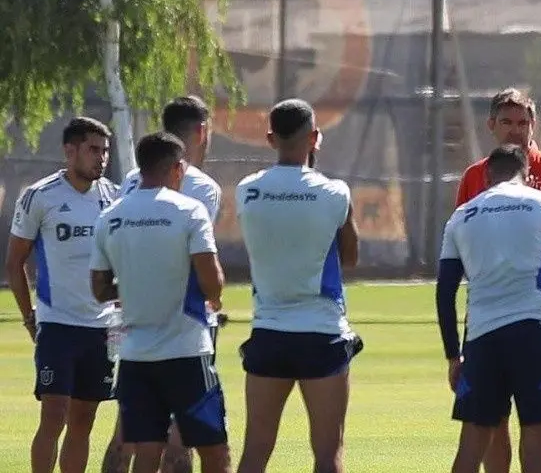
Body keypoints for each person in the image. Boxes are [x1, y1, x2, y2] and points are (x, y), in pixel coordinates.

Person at [88, 132, 230, 473]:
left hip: (136, 356)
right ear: (178, 168)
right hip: (185, 352)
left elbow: (98, 289)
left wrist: (137, 288)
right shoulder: (189, 210)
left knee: (145, 451)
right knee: (214, 450)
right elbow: (212, 285)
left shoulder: (111, 216)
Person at [234, 99, 362, 473]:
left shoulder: (247, 189)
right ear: (315, 138)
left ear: (271, 138)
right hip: (321, 331)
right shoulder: (335, 193)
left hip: (269, 329)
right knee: (328, 452)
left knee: (255, 449)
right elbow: (350, 258)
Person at [436, 144, 541, 473]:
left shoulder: (461, 216)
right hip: (535, 332)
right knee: (537, 448)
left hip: (483, 338)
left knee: (471, 445)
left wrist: (452, 354)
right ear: (526, 173)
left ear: (487, 176)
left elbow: (445, 293)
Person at [6, 116, 121, 473]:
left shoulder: (116, 198)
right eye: (93, 149)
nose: (101, 158)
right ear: (69, 151)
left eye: (105, 151)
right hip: (57, 324)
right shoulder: (40, 196)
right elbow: (15, 263)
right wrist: (30, 316)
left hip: (103, 327)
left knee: (84, 419)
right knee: (54, 413)